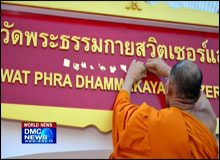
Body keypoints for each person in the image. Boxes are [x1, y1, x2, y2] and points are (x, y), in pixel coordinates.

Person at [109, 58, 218, 159]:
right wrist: (169, 72)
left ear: (169, 87)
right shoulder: (209, 120)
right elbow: (198, 91)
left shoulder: (149, 121)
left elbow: (121, 112)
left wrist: (130, 78)